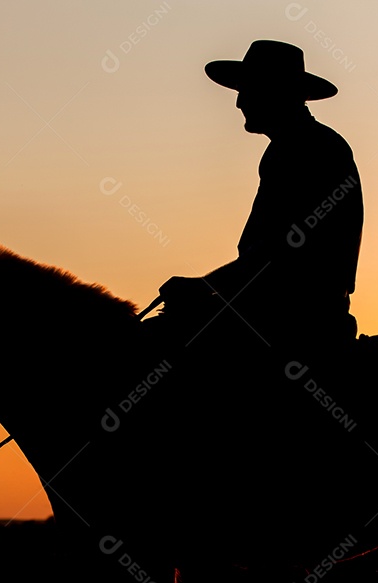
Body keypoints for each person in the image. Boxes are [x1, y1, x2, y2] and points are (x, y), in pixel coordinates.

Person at [153, 40, 364, 363]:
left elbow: (280, 253)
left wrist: (202, 285)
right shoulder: (300, 145)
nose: (239, 102)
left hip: (292, 319)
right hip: (282, 310)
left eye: (247, 89)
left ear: (274, 91)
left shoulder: (305, 148)